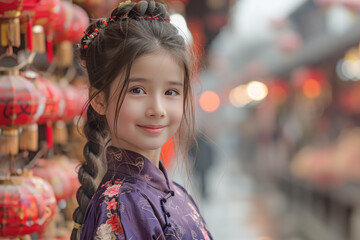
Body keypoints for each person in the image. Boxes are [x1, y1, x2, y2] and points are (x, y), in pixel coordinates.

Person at [70, 1, 213, 239]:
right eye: (137, 90)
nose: (157, 109)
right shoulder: (121, 205)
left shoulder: (174, 192)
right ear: (99, 99)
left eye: (171, 92)